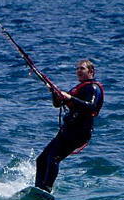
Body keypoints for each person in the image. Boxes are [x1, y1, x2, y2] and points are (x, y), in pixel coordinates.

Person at [34, 59, 104, 193]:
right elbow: (57, 104)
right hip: (67, 131)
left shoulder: (92, 88)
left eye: (82, 68)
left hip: (79, 132)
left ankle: (47, 188)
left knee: (54, 157)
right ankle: (38, 189)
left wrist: (70, 98)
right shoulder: (78, 89)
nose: (78, 71)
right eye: (77, 68)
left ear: (91, 71)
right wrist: (54, 93)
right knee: (41, 159)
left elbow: (91, 106)